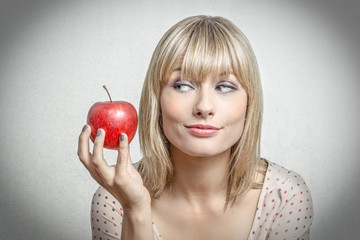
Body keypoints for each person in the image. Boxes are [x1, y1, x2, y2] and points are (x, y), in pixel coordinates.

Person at [78, 15, 314, 240]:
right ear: (157, 100)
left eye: (224, 86)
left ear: (249, 103)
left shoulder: (284, 196)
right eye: (182, 85)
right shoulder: (114, 202)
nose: (204, 107)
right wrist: (135, 209)